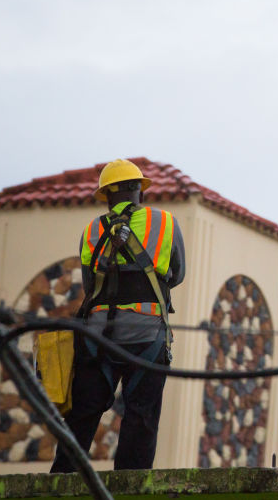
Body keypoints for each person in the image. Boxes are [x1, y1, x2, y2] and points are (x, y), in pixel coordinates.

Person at [50, 159, 185, 472]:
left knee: (83, 413)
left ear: (107, 195)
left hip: (98, 339)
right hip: (148, 335)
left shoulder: (92, 230)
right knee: (141, 415)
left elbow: (89, 286)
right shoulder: (164, 222)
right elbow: (177, 274)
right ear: (139, 190)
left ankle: (60, 482)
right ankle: (130, 484)